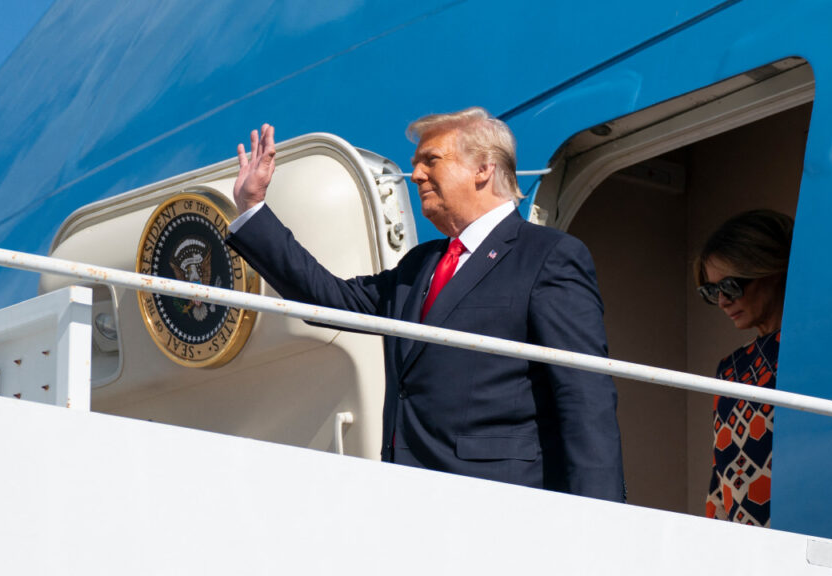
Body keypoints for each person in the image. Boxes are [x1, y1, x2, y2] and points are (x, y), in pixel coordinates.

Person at [225, 108, 625, 502]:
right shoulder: (420, 265)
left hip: (500, 501)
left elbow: (584, 393)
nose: (416, 174)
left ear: (483, 168)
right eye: (416, 164)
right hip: (408, 499)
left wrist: (600, 518)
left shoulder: (547, 256)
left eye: (431, 160)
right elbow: (328, 297)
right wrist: (253, 209)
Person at [695, 209, 793, 527]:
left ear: (772, 270)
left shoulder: (814, 350)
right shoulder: (729, 369)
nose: (722, 300)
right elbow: (720, 474)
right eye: (711, 291)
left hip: (805, 537)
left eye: (731, 286)